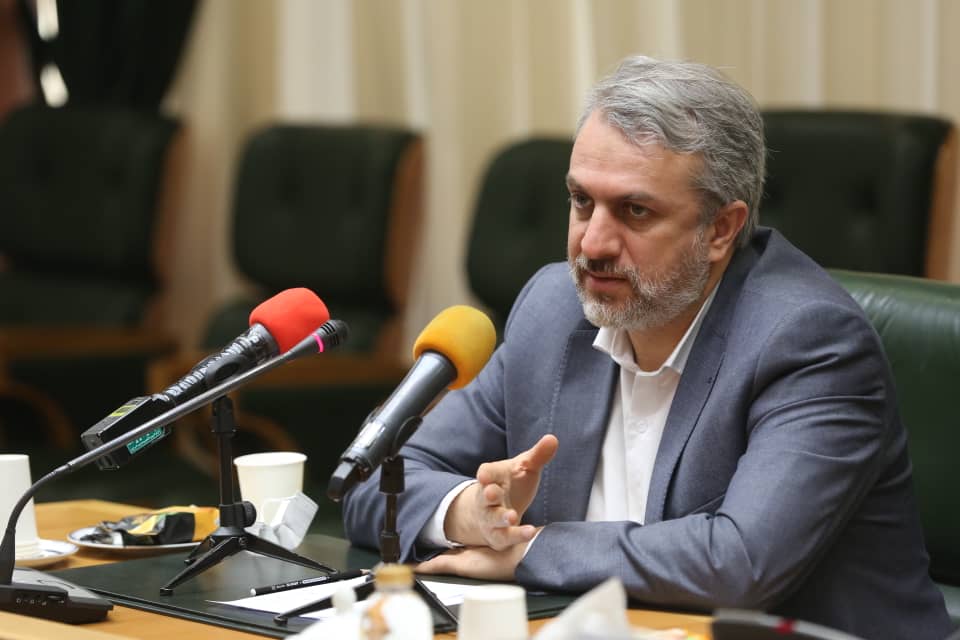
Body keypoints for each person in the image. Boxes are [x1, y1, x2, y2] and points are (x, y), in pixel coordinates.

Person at [342, 55, 953, 639]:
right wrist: (471, 513)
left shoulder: (809, 340)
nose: (593, 244)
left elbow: (739, 563)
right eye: (582, 202)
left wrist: (528, 550)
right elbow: (374, 485)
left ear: (721, 229)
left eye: (634, 211)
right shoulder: (553, 311)